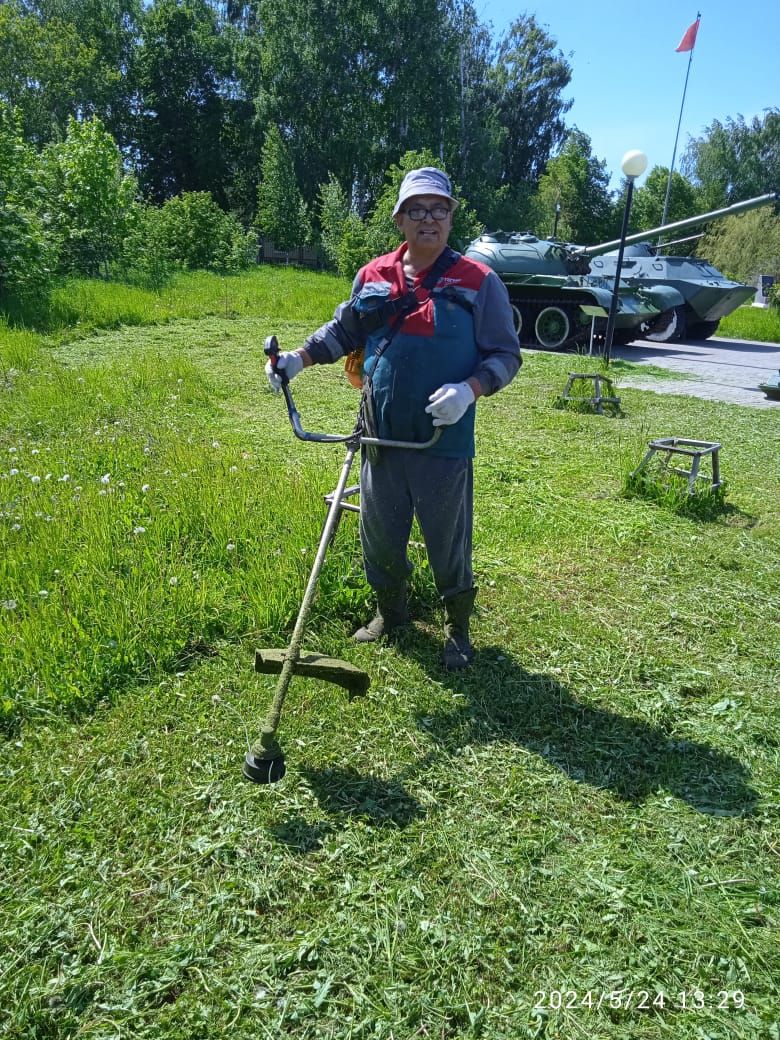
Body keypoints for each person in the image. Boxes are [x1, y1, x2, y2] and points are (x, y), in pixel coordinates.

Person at [265, 167, 520, 669]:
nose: (429, 218)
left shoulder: (479, 281)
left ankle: (456, 628)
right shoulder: (373, 274)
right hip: (379, 436)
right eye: (417, 209)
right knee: (379, 534)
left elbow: (505, 355)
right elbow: (342, 333)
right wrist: (296, 359)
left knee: (447, 539)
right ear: (400, 219)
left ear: (451, 217)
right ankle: (391, 613)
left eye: (439, 209)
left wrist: (469, 390)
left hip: (440, 441)